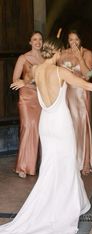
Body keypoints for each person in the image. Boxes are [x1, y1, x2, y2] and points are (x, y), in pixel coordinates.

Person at [0, 38, 92, 234]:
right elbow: (86, 85)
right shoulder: (60, 72)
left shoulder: (37, 70)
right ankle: (65, 207)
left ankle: (70, 202)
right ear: (57, 52)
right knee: (66, 165)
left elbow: (25, 80)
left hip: (46, 124)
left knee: (50, 165)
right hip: (60, 124)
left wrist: (20, 82)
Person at [58, 30, 92, 175]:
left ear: (81, 40)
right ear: (68, 40)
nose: (74, 42)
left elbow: (88, 75)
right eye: (71, 39)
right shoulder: (62, 53)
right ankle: (68, 162)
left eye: (76, 39)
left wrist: (80, 58)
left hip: (81, 93)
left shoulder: (87, 53)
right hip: (65, 93)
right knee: (67, 126)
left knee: (81, 125)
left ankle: (84, 161)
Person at [12, 31, 44, 178]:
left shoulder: (46, 59)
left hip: (42, 97)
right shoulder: (23, 58)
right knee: (28, 127)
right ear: (30, 42)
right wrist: (27, 82)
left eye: (40, 39)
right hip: (26, 97)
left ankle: (36, 164)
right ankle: (23, 166)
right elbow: (15, 79)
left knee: (40, 129)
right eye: (34, 39)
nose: (38, 42)